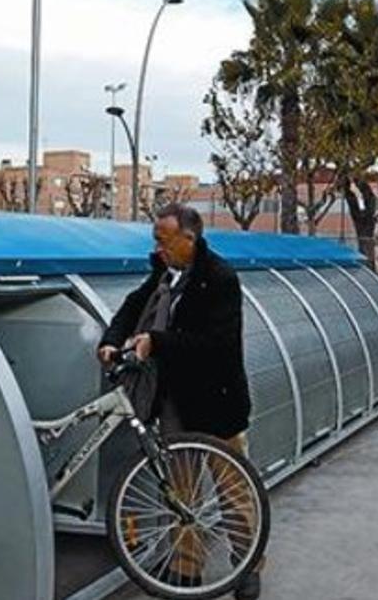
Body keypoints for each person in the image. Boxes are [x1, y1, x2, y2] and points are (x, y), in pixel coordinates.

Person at [96, 202, 262, 600]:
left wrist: (158, 342)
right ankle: (185, 568)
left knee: (233, 491)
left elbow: (216, 344)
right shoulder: (162, 274)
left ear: (190, 238)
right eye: (155, 239)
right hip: (175, 401)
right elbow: (133, 307)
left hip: (217, 401)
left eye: (164, 239)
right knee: (180, 491)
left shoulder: (219, 278)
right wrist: (110, 339)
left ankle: (248, 565)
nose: (157, 246)